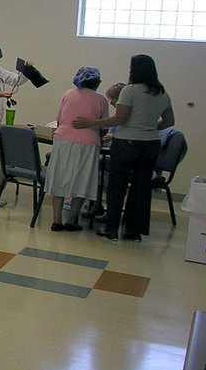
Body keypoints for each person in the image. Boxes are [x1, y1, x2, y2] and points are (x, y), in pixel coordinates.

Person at [75, 54, 174, 240]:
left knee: (117, 186)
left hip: (127, 143)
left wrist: (91, 122)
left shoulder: (130, 91)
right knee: (141, 189)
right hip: (151, 144)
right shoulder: (161, 93)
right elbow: (169, 121)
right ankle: (134, 231)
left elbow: (119, 119)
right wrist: (150, 127)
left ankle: (111, 228)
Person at [45, 66, 110, 231]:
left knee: (60, 179)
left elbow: (59, 119)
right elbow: (105, 125)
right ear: (97, 82)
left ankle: (56, 220)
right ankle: (72, 220)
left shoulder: (68, 94)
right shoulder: (101, 99)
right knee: (82, 180)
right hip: (88, 143)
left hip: (63, 141)